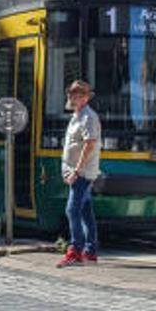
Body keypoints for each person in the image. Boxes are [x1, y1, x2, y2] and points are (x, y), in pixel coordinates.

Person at [57, 79, 101, 267]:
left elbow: (89, 144)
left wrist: (77, 170)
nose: (72, 97)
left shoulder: (88, 117)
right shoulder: (77, 116)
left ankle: (75, 251)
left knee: (72, 210)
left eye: (77, 94)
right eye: (71, 94)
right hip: (77, 172)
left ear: (85, 98)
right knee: (85, 212)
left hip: (81, 173)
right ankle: (90, 252)